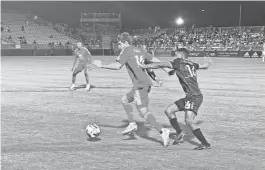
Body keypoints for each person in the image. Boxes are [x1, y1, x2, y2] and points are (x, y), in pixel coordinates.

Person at [92, 32, 171, 147]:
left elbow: (118, 66)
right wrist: (167, 68)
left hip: (141, 85)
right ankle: (132, 123)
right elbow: (154, 59)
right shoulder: (139, 50)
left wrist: (101, 65)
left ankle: (162, 131)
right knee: (124, 100)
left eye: (120, 43)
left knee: (143, 112)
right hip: (142, 83)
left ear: (126, 42)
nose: (118, 45)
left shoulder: (127, 50)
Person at [138, 48, 213, 150]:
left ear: (181, 55)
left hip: (194, 97)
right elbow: (203, 66)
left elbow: (161, 65)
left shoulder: (178, 62)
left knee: (189, 121)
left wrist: (144, 66)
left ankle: (205, 143)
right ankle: (180, 132)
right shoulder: (191, 64)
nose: (174, 57)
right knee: (169, 111)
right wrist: (208, 63)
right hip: (190, 96)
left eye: (176, 55)